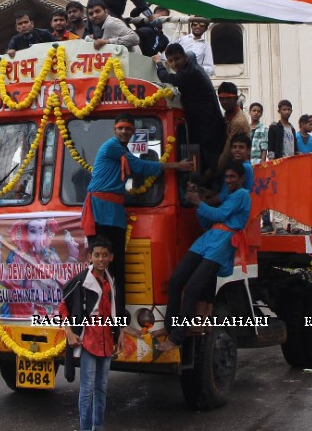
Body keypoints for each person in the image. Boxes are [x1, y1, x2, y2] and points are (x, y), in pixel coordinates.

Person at [82, 113, 192, 293]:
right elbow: (140, 167)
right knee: (102, 266)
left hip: (112, 210)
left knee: (115, 265)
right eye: (121, 128)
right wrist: (176, 166)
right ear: (114, 129)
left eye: (128, 128)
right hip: (101, 211)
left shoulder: (121, 150)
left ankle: (116, 312)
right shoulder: (112, 147)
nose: (124, 131)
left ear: (133, 132)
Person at [156, 160, 251, 351]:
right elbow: (207, 218)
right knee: (176, 280)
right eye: (227, 177)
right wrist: (197, 200)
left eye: (233, 177)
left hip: (222, 243)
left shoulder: (242, 195)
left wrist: (199, 201)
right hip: (208, 238)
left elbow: (218, 214)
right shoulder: (230, 197)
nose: (229, 180)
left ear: (242, 179)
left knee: (191, 288)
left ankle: (176, 337)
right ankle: (170, 327)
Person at [59, 237, 133, 431]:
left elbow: (114, 311)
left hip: (106, 341)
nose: (101, 259)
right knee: (87, 390)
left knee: (102, 388)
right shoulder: (81, 281)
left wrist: (120, 332)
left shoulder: (111, 281)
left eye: (105, 255)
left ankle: (98, 427)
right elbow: (62, 305)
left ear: (111, 258)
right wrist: (69, 331)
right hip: (89, 341)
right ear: (90, 257)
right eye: (97, 255)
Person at [154, 44, 224, 178]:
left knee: (207, 157)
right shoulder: (190, 62)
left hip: (207, 121)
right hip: (203, 118)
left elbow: (167, 79)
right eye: (171, 61)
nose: (174, 64)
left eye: (177, 59)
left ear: (184, 57)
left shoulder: (190, 72)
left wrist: (159, 63)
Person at [217, 82, 250, 168]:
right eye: (222, 99)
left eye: (228, 98)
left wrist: (209, 174)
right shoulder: (228, 115)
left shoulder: (238, 121)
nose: (224, 102)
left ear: (235, 99)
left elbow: (227, 153)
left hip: (238, 170)